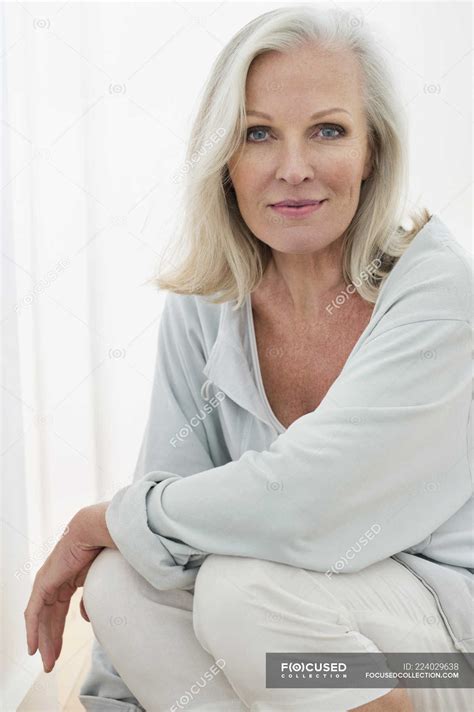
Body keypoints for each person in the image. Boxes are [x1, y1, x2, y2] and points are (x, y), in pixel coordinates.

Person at [24, 5, 473, 711]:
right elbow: (158, 521)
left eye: (328, 130)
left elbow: (310, 504)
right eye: (258, 133)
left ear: (372, 151)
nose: (293, 169)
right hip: (289, 652)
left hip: (448, 656)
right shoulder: (209, 302)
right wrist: (111, 700)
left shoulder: (437, 288)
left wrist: (96, 520)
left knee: (240, 591)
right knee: (119, 580)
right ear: (224, 160)